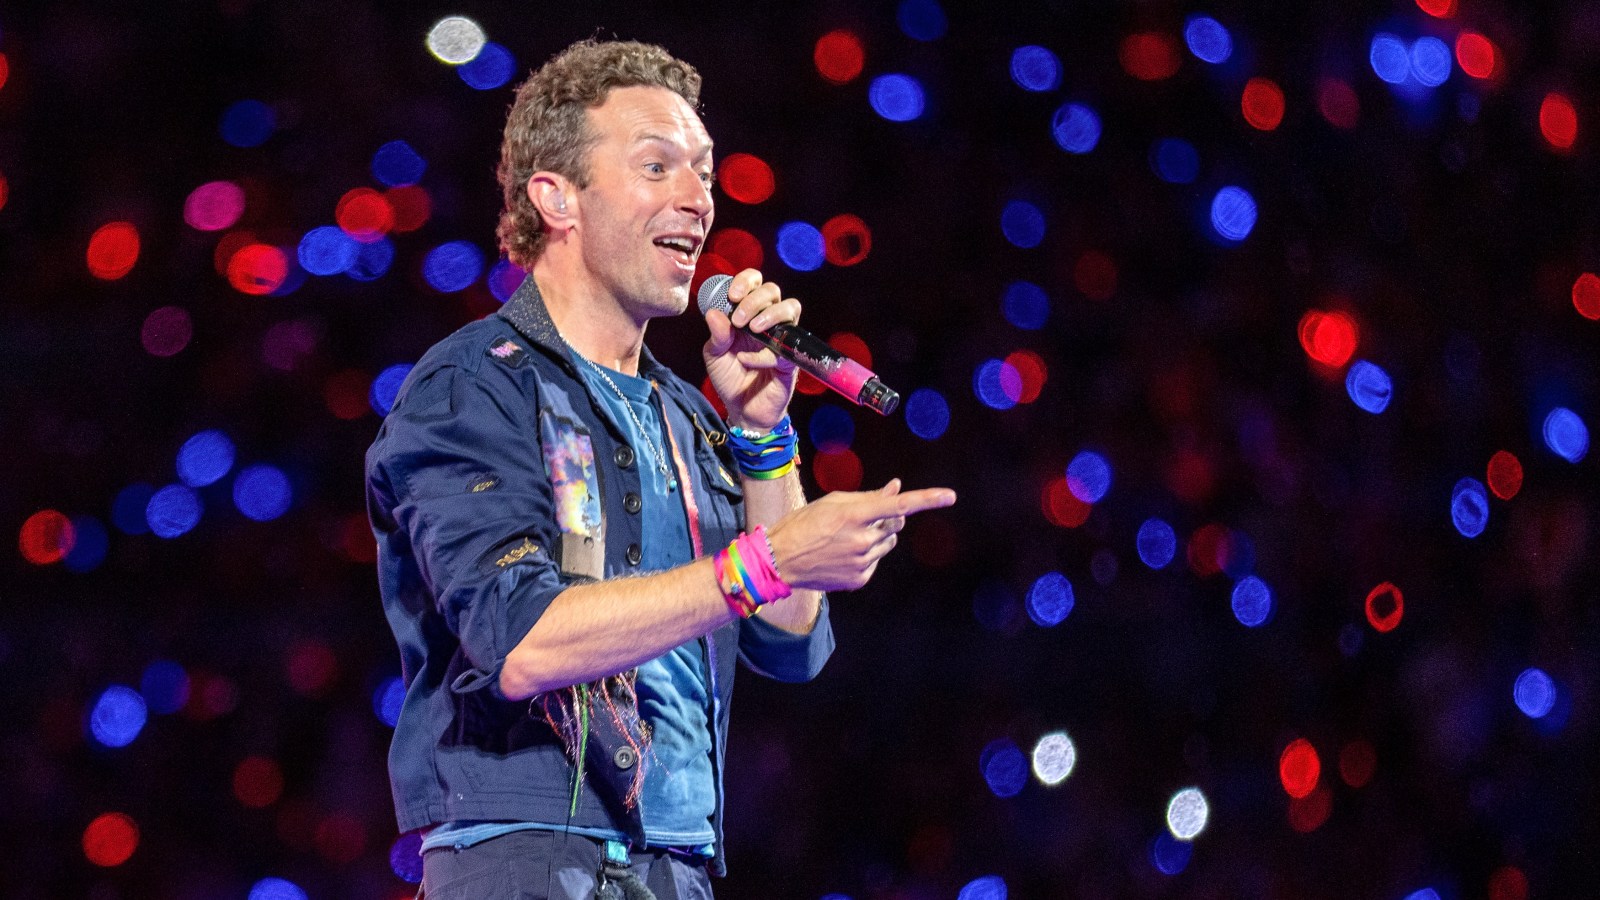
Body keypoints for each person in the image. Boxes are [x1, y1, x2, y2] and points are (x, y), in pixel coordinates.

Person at [366, 38, 955, 899]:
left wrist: (762, 435)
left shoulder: (684, 414)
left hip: (675, 869)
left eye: (704, 172)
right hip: (529, 862)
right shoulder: (474, 385)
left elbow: (789, 637)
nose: (697, 199)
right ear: (556, 197)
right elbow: (524, 642)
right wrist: (769, 561)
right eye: (657, 167)